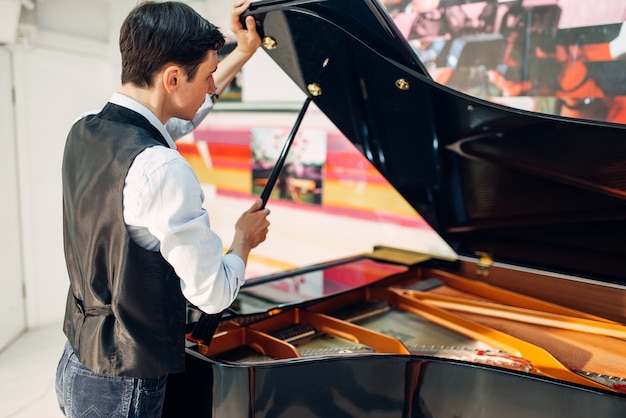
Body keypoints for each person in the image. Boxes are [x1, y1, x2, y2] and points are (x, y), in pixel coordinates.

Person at [55, 1, 269, 417]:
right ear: (173, 77)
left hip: (75, 359)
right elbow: (212, 293)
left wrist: (242, 52)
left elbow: (174, 120)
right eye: (208, 77)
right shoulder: (163, 169)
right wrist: (243, 241)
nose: (212, 88)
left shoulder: (86, 127)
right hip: (124, 384)